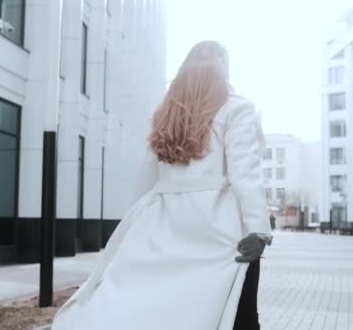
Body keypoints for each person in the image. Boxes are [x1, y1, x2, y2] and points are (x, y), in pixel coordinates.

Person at [52, 40, 272, 330]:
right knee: (240, 315)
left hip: (163, 222)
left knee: (148, 303)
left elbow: (146, 180)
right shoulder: (237, 110)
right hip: (221, 227)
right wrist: (258, 228)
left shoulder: (165, 115)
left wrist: (136, 227)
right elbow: (246, 172)